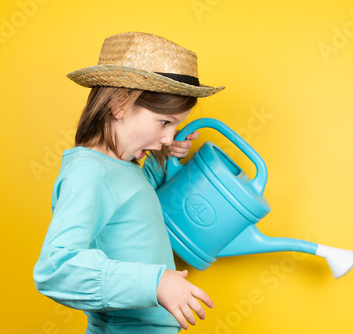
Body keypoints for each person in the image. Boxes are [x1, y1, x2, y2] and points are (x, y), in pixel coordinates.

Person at [33, 32, 224, 333]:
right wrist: (155, 283)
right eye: (165, 122)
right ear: (120, 105)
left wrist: (166, 161)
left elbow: (135, 204)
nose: (168, 138)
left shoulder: (120, 167)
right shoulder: (89, 173)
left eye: (175, 127)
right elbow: (55, 269)